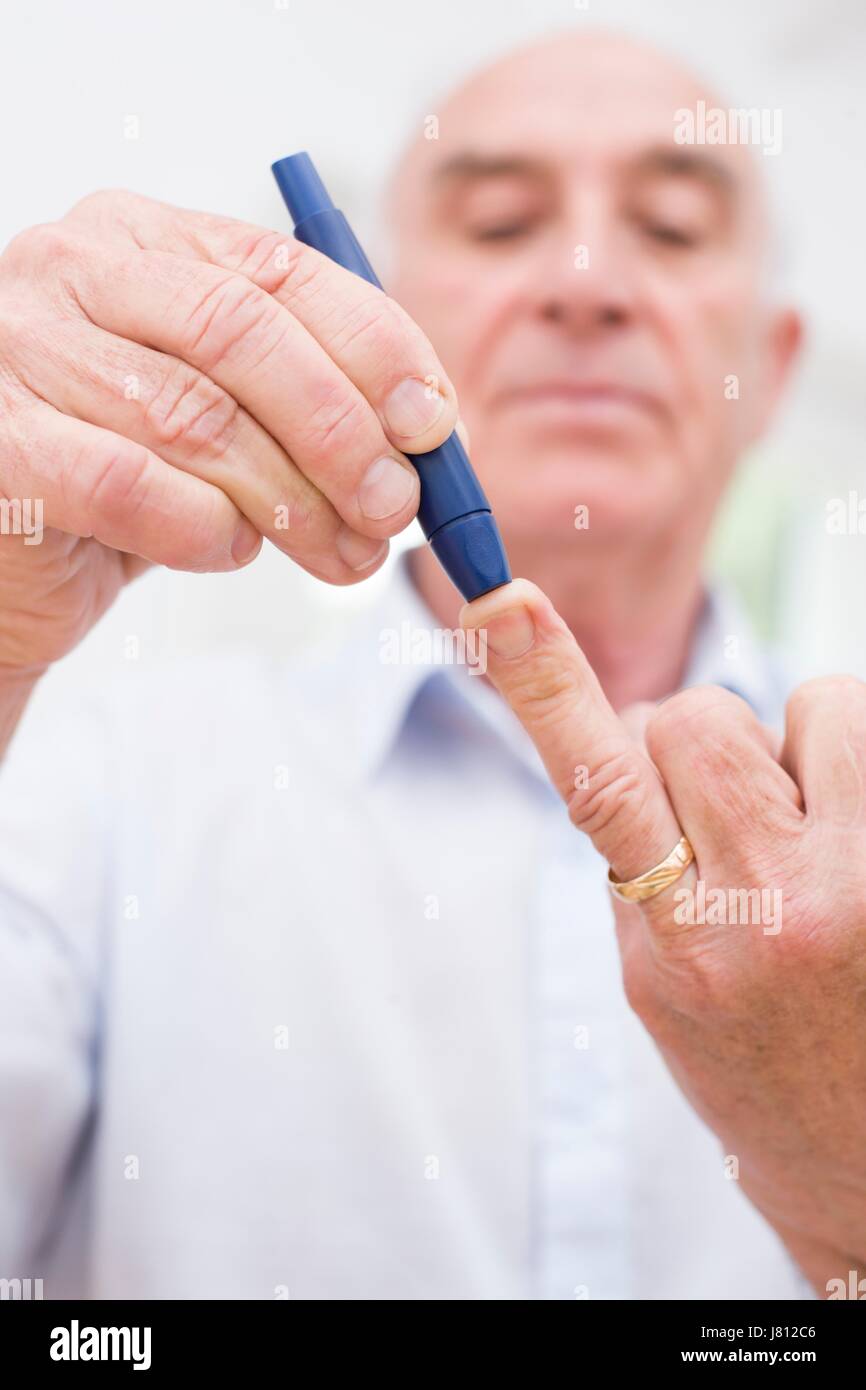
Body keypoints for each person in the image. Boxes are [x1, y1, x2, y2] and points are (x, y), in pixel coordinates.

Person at [0, 29, 861, 1299]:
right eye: (503, 224)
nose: (584, 286)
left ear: (771, 369)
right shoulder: (91, 778)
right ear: (364, 317)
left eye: (671, 232)